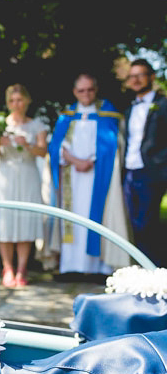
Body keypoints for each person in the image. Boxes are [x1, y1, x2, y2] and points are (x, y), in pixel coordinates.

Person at [47, 74, 130, 276]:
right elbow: (56, 145)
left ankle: (99, 267)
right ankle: (71, 266)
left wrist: (91, 160)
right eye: (81, 90)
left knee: (98, 217)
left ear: (96, 89)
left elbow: (114, 144)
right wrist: (76, 161)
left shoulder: (108, 113)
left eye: (90, 89)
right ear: (75, 92)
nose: (86, 94)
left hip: (98, 176)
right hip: (72, 178)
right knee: (73, 218)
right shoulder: (67, 115)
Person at [0, 84, 48, 287]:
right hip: (4, 176)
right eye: (12, 101)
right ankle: (7, 268)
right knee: (5, 220)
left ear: (27, 101)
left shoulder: (37, 125)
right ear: (7, 103)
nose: (16, 104)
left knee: (25, 220)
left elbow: (43, 152)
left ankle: (22, 269)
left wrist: (27, 144)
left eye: (20, 100)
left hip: (27, 175)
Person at [122, 58, 167, 266]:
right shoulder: (129, 108)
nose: (136, 80)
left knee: (147, 223)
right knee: (134, 223)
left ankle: (154, 269)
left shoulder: (162, 105)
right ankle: (142, 268)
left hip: (152, 171)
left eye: (140, 75)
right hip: (130, 171)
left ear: (151, 77)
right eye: (132, 76)